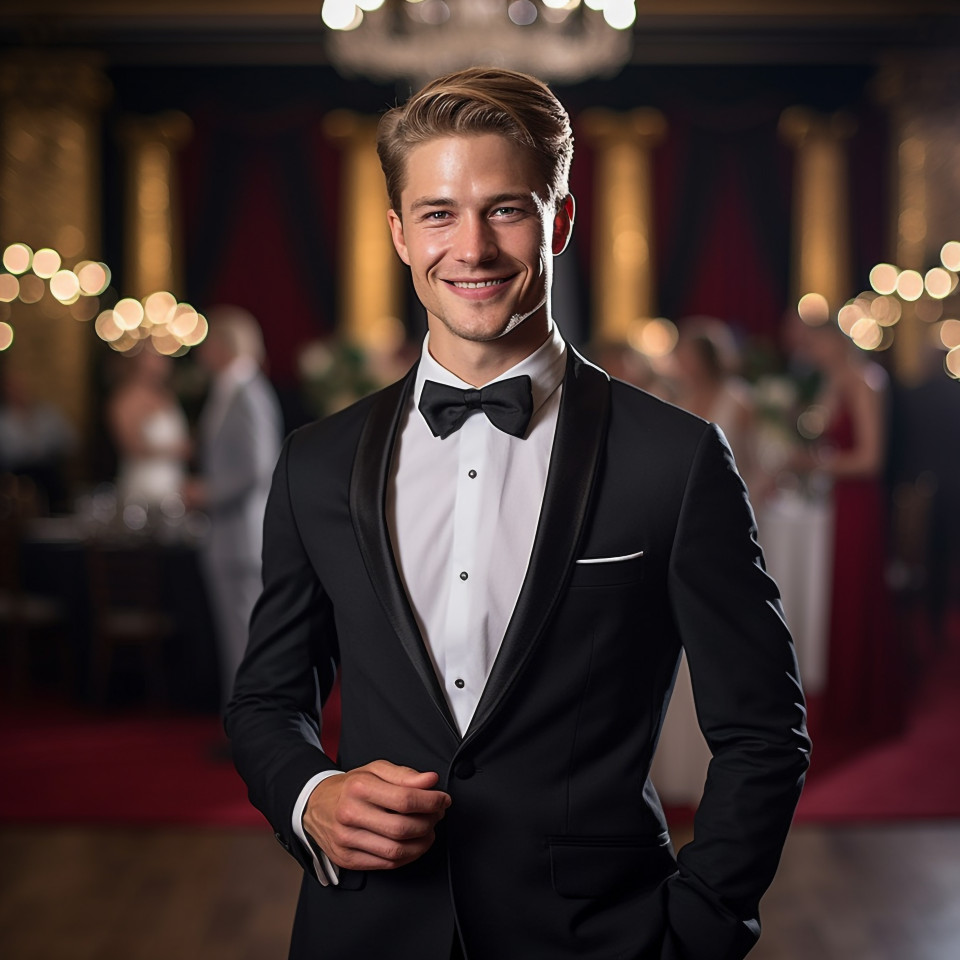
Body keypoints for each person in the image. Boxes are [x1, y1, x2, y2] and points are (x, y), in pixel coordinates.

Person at [225, 68, 809, 960]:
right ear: (397, 232)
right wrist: (310, 795)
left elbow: (763, 731)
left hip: (597, 935)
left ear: (560, 221)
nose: (473, 247)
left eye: (506, 209)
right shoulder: (317, 461)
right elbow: (267, 699)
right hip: (364, 931)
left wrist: (695, 932)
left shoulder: (675, 458)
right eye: (438, 213)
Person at [787, 314, 904, 743]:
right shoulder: (828, 383)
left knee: (854, 592)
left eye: (814, 343)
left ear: (835, 341)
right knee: (834, 594)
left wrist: (812, 463)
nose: (808, 352)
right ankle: (840, 696)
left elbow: (870, 459)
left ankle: (864, 703)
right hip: (832, 501)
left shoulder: (863, 381)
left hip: (858, 503)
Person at [183, 306, 282, 706]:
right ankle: (238, 724)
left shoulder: (247, 391)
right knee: (235, 636)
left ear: (222, 345)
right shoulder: (232, 388)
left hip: (240, 533)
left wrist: (208, 492)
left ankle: (243, 729)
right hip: (229, 533)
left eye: (206, 342)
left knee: (243, 638)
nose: (201, 351)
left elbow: (259, 466)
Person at [107, 345, 190, 509]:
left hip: (175, 480)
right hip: (145, 483)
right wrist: (173, 450)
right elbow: (129, 445)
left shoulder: (167, 396)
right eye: (156, 357)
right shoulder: (126, 400)